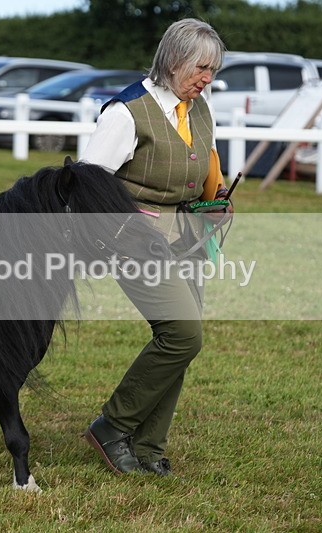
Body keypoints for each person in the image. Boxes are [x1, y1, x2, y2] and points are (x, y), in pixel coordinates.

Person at [80, 18, 232, 476]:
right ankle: (112, 426)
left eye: (213, 70)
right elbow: (88, 186)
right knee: (184, 333)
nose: (207, 79)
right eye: (201, 68)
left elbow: (205, 158)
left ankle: (147, 446)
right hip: (134, 242)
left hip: (187, 237)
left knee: (179, 342)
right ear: (173, 61)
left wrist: (217, 197)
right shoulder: (125, 113)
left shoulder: (197, 106)